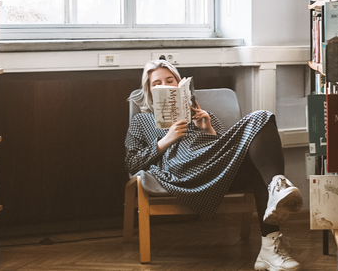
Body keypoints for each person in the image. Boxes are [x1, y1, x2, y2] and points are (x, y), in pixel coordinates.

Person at [125, 60, 303, 271]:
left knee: (262, 117)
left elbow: (226, 147)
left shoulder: (201, 113)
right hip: (182, 169)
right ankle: (277, 189)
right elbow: (132, 162)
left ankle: (269, 246)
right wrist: (166, 140)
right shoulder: (142, 121)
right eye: (157, 84)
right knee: (259, 127)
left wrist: (208, 128)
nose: (165, 85)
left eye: (170, 80)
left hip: (216, 166)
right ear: (149, 90)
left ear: (179, 84)